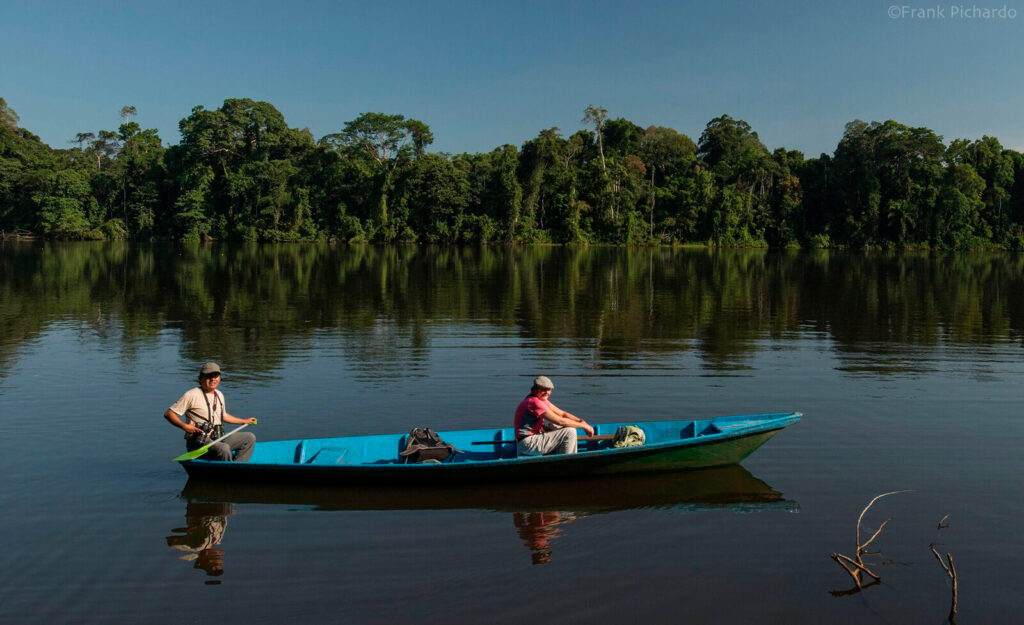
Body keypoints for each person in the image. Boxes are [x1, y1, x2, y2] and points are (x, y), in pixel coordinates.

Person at [164, 362, 257, 462]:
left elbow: (224, 416)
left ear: (220, 378)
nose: (213, 379)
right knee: (224, 448)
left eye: (216, 376)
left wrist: (244, 421)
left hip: (218, 438)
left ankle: (237, 468)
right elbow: (169, 413)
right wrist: (184, 426)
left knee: (249, 438)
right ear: (200, 379)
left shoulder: (219, 394)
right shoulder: (191, 395)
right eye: (209, 376)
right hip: (198, 441)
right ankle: (225, 472)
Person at [514, 376, 594, 456]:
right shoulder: (535, 403)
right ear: (535, 389)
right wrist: (585, 427)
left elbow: (562, 414)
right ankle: (568, 461)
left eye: (548, 390)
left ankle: (561, 455)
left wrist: (581, 421)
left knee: (556, 426)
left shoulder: (540, 400)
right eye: (543, 389)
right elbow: (560, 421)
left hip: (530, 439)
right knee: (570, 431)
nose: (547, 392)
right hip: (528, 443)